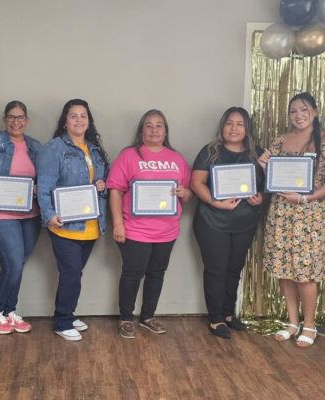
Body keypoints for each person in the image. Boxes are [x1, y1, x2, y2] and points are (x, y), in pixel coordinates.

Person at [107, 109, 192, 339]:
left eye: (159, 125)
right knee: (132, 274)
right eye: (149, 125)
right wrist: (118, 225)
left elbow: (187, 192)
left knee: (157, 273)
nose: (154, 130)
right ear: (141, 130)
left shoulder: (176, 158)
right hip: (135, 230)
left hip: (167, 231)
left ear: (165, 131)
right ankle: (126, 318)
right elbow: (115, 190)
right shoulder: (129, 156)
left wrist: (185, 192)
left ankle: (147, 317)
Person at [37, 99, 108, 341]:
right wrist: (48, 215)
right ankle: (62, 321)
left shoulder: (94, 149)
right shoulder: (54, 148)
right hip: (65, 225)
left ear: (89, 122)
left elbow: (99, 184)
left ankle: (67, 313)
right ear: (65, 121)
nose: (79, 120)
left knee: (75, 274)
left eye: (83, 116)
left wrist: (101, 185)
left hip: (90, 225)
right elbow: (45, 186)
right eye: (73, 116)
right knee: (70, 274)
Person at [259, 92, 325, 347]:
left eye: (304, 109)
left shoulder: (322, 140)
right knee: (284, 270)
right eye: (293, 111)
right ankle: (292, 322)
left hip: (309, 216)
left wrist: (306, 198)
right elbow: (272, 181)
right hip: (281, 214)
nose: (298, 115)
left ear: (315, 112)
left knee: (305, 273)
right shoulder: (279, 141)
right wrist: (265, 166)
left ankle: (309, 325)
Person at [191, 107, 263, 339]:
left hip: (245, 222)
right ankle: (216, 318)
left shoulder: (257, 154)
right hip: (212, 221)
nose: (234, 128)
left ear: (247, 128)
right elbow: (197, 183)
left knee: (234, 269)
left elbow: (266, 185)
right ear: (222, 126)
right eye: (229, 123)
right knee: (216, 270)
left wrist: (261, 197)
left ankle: (229, 314)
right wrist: (216, 203)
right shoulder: (210, 151)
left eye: (240, 123)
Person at [0, 101, 42, 335]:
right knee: (13, 264)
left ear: (27, 120)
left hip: (30, 215)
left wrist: (38, 189)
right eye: (11, 117)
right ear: (5, 120)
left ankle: (9, 312)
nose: (16, 122)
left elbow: (44, 177)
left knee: (17, 265)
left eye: (21, 117)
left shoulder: (35, 146)